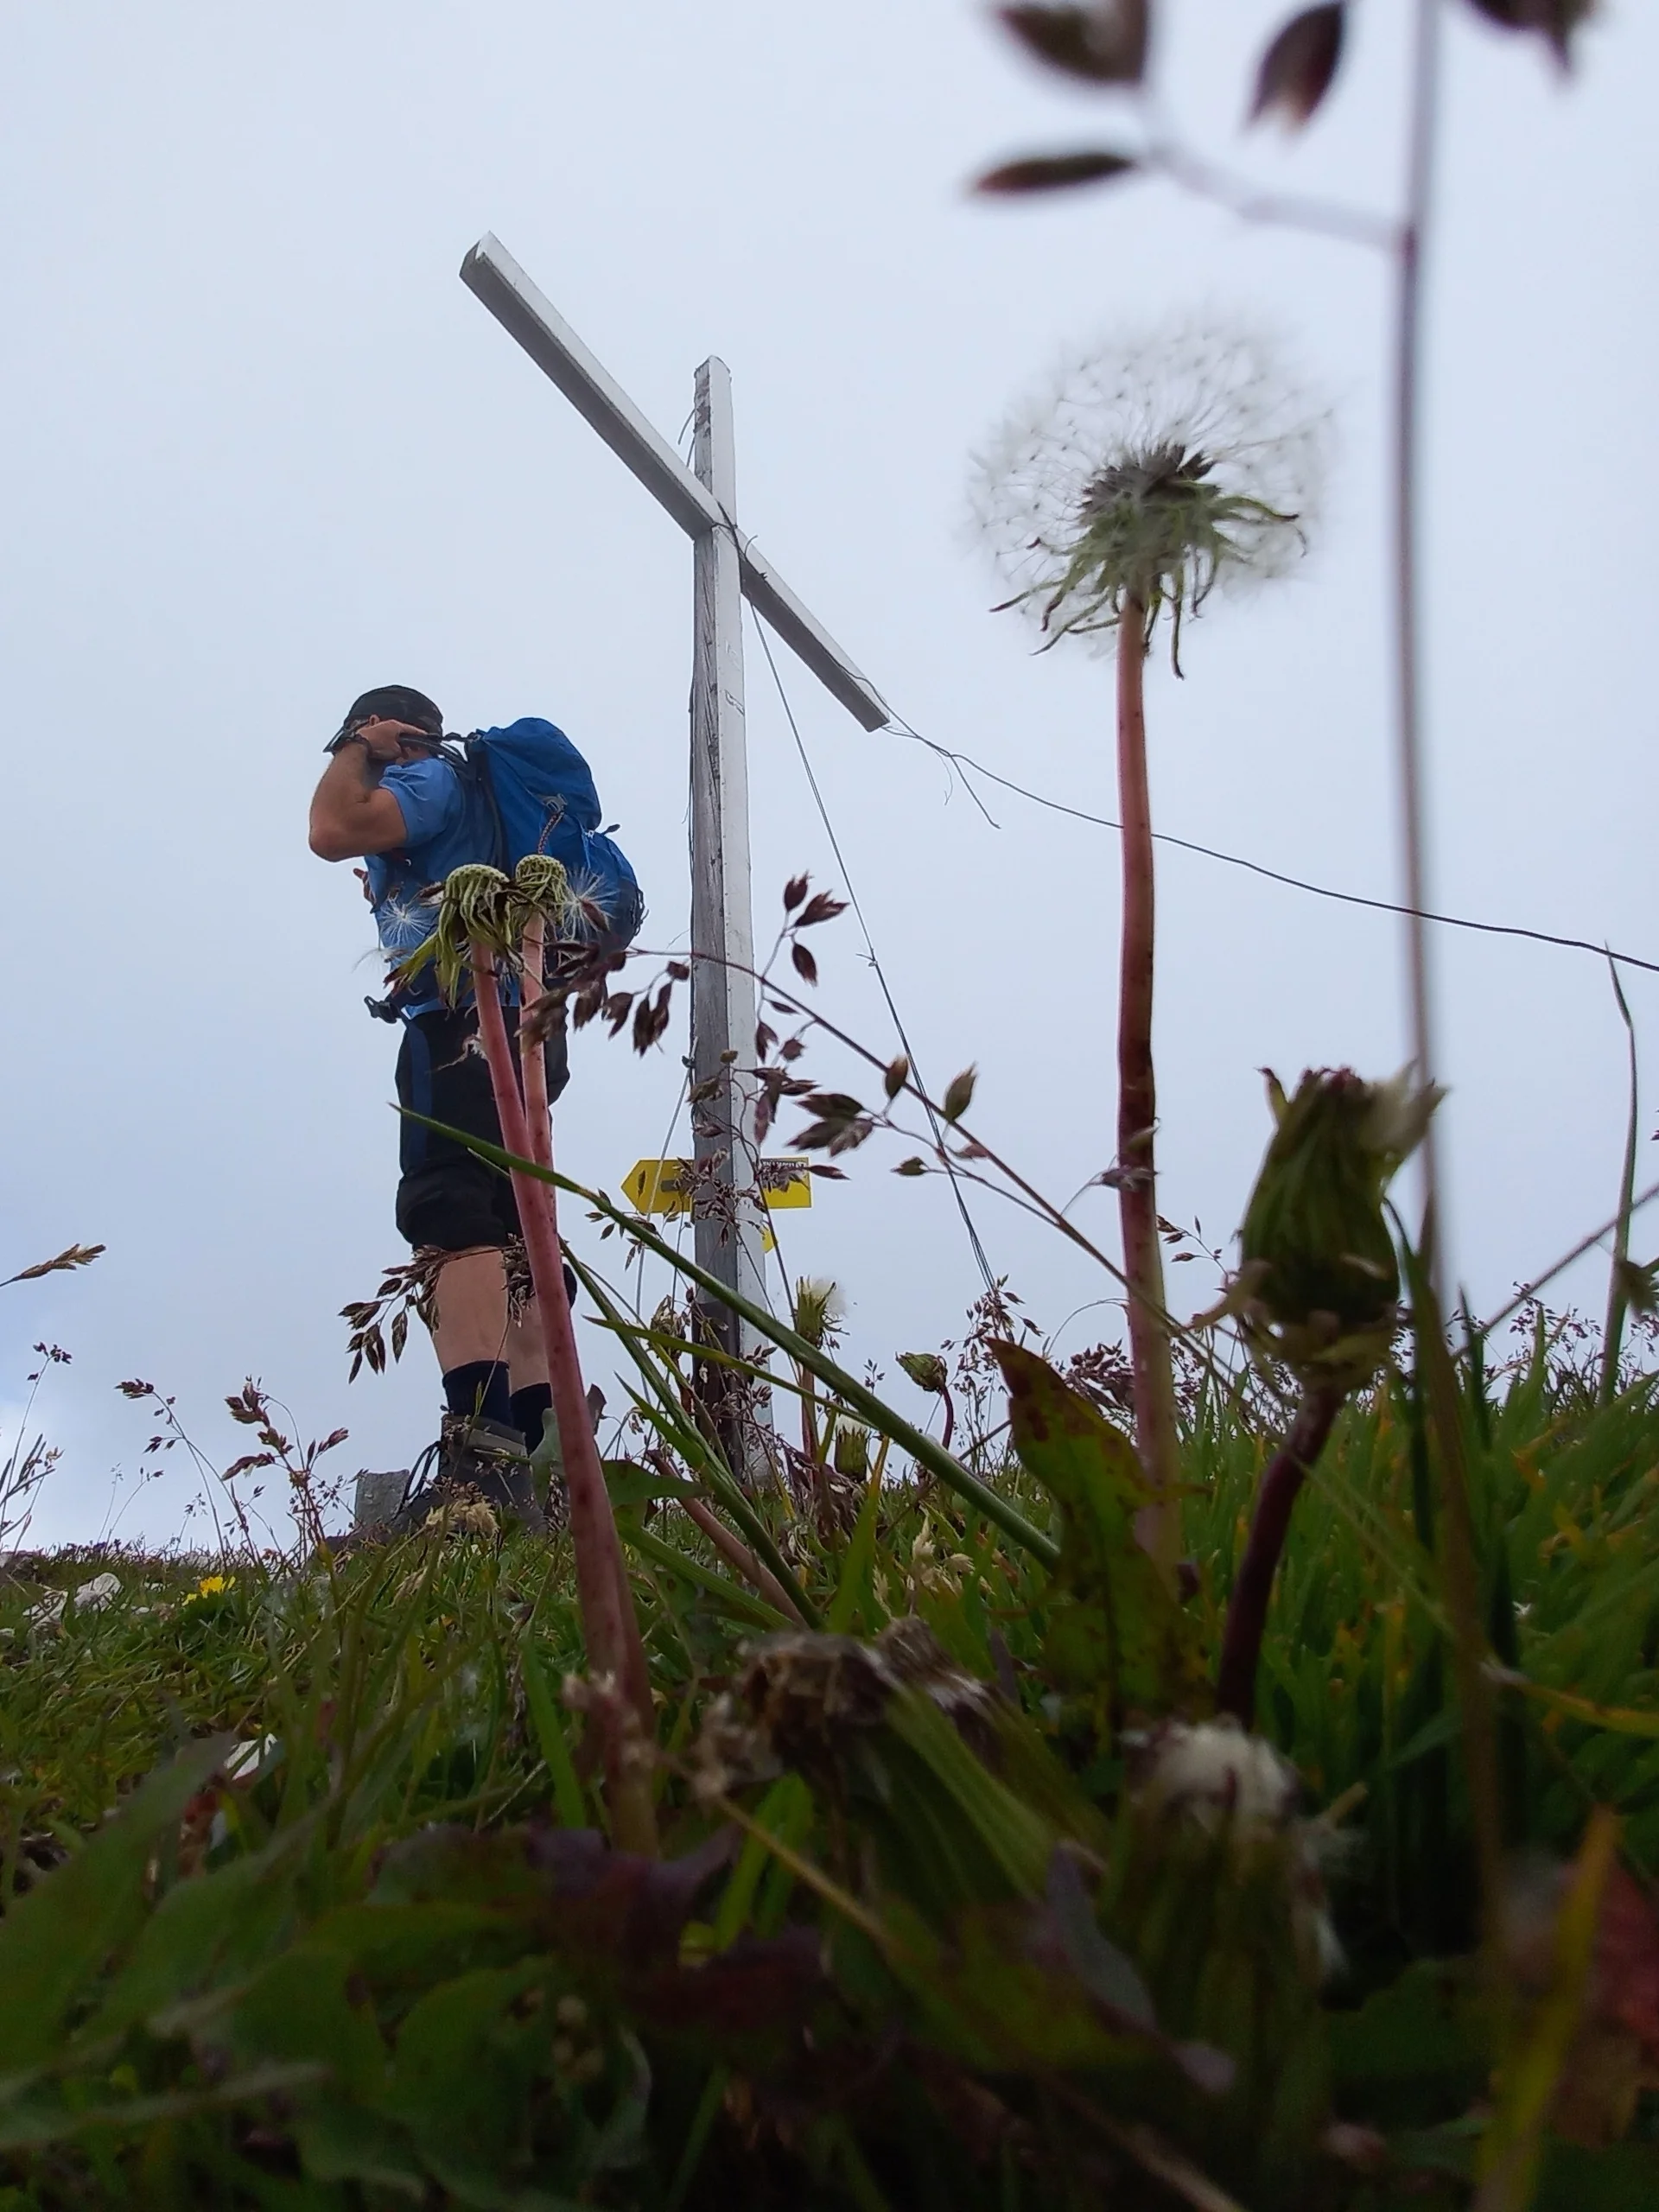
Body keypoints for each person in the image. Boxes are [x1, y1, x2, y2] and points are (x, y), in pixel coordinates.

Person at [308, 683, 569, 1530]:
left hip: (463, 1020)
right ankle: (544, 1468)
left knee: (449, 1209)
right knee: (515, 1232)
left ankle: (482, 1462)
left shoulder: (424, 781)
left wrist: (359, 745)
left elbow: (329, 829)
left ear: (399, 735)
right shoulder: (468, 799)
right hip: (523, 1018)